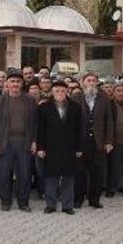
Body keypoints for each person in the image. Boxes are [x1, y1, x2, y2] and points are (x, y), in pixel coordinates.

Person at [0, 69, 37, 212]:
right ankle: (6, 201)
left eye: (18, 81)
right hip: (5, 142)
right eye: (12, 81)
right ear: (7, 84)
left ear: (22, 83)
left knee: (25, 173)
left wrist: (34, 141)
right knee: (4, 173)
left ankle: (23, 202)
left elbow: (35, 123)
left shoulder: (30, 100)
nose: (15, 84)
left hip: (24, 141)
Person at [37, 80, 82, 215]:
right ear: (52, 92)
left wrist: (79, 148)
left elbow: (80, 129)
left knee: (68, 177)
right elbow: (40, 130)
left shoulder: (75, 107)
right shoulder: (44, 107)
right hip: (51, 148)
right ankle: (50, 205)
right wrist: (40, 148)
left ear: (67, 92)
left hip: (70, 147)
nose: (60, 93)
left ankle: (67, 205)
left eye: (63, 91)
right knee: (51, 176)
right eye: (57, 91)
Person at [71, 72, 114, 209]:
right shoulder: (76, 97)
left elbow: (109, 121)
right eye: (88, 80)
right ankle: (78, 199)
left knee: (97, 172)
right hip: (81, 142)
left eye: (94, 80)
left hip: (98, 141)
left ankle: (94, 199)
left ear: (97, 83)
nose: (91, 83)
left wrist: (109, 141)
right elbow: (71, 122)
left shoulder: (104, 98)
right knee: (79, 172)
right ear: (83, 83)